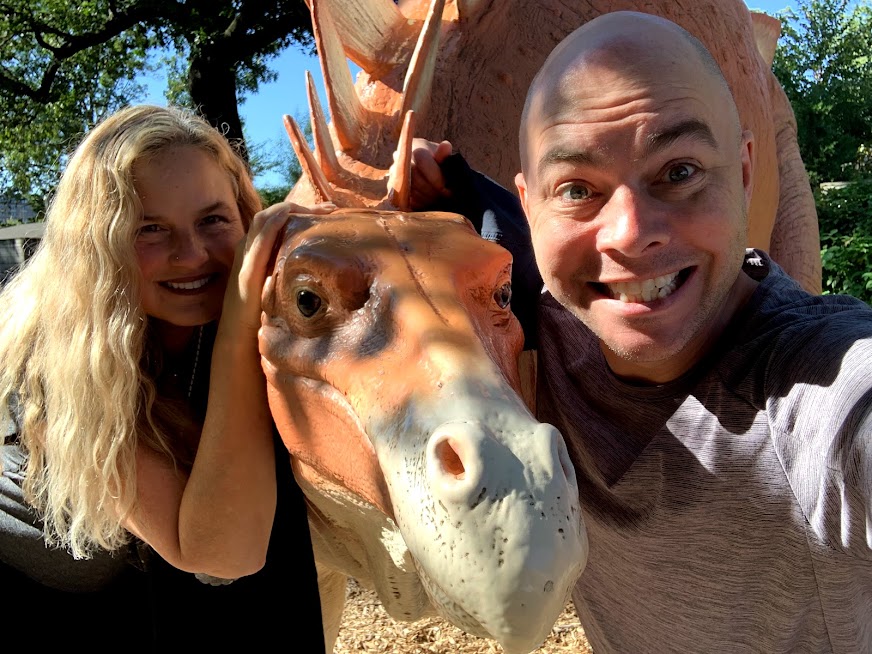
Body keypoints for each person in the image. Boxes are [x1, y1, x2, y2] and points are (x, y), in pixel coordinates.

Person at [409, 11, 872, 653]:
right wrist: (449, 179)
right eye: (577, 188)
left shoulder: (825, 393)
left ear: (743, 173)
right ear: (532, 204)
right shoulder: (546, 326)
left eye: (679, 172)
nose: (629, 233)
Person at [0, 104, 331, 649]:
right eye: (149, 229)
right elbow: (220, 552)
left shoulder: (245, 305)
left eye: (212, 220)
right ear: (97, 246)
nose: (192, 254)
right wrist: (237, 335)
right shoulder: (53, 366)